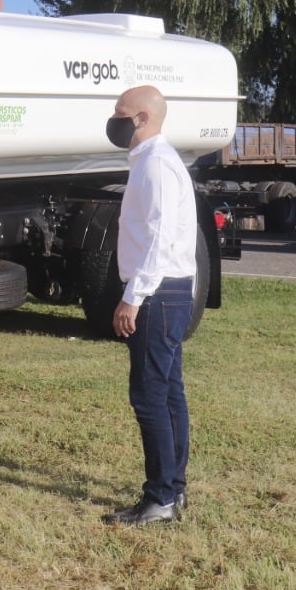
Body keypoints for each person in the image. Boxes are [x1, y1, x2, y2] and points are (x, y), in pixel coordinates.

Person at [101, 84, 198, 526]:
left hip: (159, 292)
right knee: (168, 390)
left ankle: (160, 497)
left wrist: (132, 296)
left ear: (141, 117)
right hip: (169, 289)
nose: (114, 118)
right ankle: (172, 490)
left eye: (120, 111)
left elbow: (158, 239)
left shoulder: (156, 164)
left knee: (150, 395)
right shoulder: (152, 161)